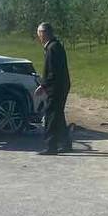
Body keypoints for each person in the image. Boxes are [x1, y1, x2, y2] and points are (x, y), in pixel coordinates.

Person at [34, 22, 71, 155]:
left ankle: (51, 146)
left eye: (39, 33)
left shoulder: (52, 48)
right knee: (58, 115)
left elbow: (52, 72)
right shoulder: (54, 46)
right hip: (60, 85)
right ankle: (66, 143)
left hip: (56, 87)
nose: (38, 36)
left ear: (44, 33)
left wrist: (43, 86)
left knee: (51, 115)